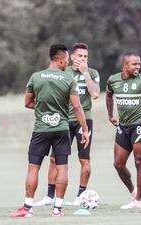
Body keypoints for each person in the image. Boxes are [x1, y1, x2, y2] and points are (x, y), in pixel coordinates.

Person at [10, 44, 89, 218]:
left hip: (41, 129)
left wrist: (43, 110)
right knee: (62, 168)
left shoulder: (36, 77)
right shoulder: (69, 79)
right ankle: (57, 209)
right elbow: (76, 107)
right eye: (67, 60)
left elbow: (28, 103)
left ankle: (28, 208)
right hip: (61, 129)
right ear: (61, 59)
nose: (67, 63)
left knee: (33, 168)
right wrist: (84, 129)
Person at [34, 43, 100, 207]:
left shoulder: (92, 73)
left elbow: (95, 94)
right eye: (79, 56)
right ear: (71, 57)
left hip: (84, 119)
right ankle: (50, 196)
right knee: (54, 160)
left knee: (84, 160)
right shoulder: (64, 71)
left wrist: (85, 73)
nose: (83, 59)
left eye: (85, 57)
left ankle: (80, 196)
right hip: (63, 120)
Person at [106, 52, 141, 209]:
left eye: (139, 64)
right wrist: (110, 115)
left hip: (139, 126)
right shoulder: (113, 80)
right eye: (134, 64)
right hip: (122, 127)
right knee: (118, 164)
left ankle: (139, 200)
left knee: (139, 162)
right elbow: (109, 96)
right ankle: (133, 192)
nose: (138, 66)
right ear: (125, 65)